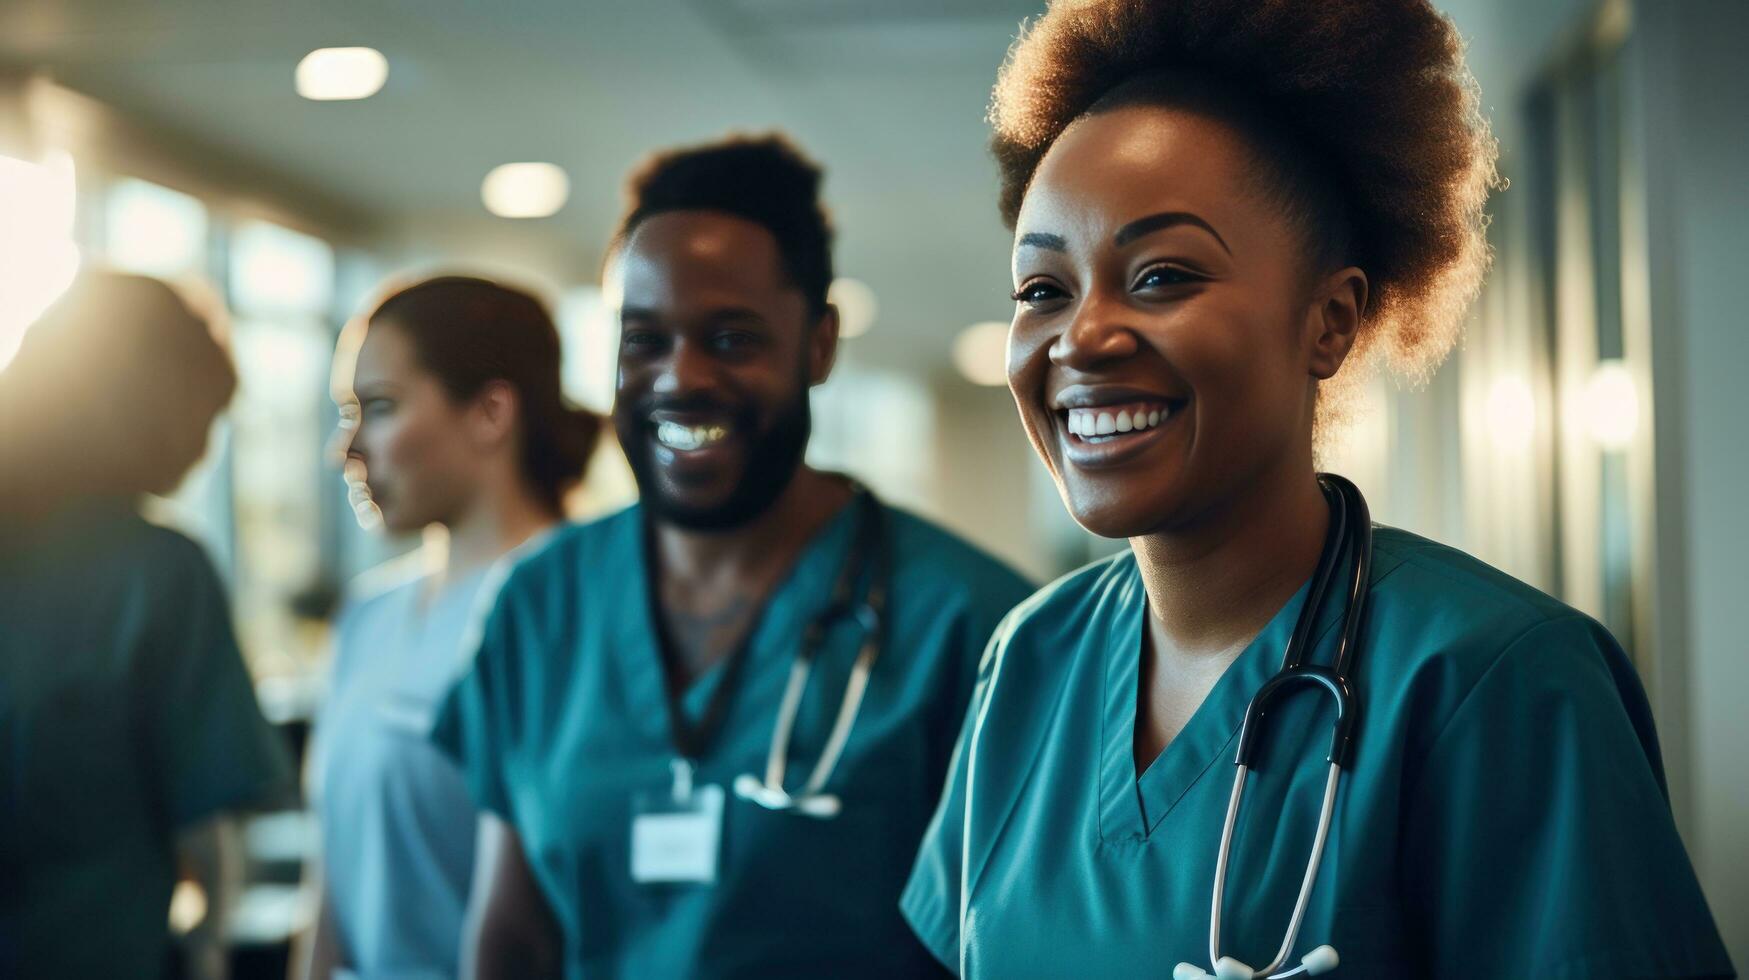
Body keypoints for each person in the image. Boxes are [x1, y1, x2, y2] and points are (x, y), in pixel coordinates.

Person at [901, 1, 1736, 977]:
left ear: (1328, 320)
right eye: (1043, 289)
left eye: (1162, 274)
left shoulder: (1494, 680)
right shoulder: (1030, 662)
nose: (1082, 337)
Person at [431, 134, 1034, 978]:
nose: (680, 377)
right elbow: (510, 938)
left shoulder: (970, 625)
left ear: (817, 345)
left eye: (731, 339)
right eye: (643, 340)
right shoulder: (539, 606)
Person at [298, 276, 601, 980]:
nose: (345, 450)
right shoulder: (368, 616)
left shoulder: (573, 607)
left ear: (491, 411)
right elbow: (334, 877)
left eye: (379, 408)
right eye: (346, 414)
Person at [0, 271, 294, 979]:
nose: (204, 448)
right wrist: (211, 947)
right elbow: (205, 827)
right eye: (205, 417)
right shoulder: (159, 573)